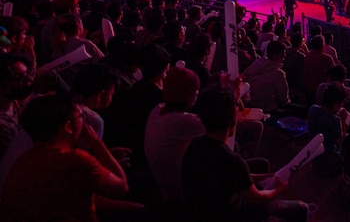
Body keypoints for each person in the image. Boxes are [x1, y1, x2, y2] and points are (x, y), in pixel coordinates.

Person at [182, 85, 307, 222]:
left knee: (261, 165)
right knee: (301, 208)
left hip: (202, 212)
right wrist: (278, 189)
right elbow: (256, 199)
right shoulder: (232, 161)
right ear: (232, 121)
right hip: (233, 215)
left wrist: (262, 177)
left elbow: (229, 178)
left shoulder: (194, 146)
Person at [0, 95, 130, 222]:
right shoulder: (75, 159)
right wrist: (96, 143)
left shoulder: (23, 162)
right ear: (68, 126)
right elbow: (122, 187)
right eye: (81, 117)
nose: (84, 123)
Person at [144, 67, 204, 203]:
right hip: (179, 193)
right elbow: (221, 127)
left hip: (161, 185)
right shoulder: (182, 122)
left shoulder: (157, 110)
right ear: (188, 93)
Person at [307, 83, 348, 176]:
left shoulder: (312, 109)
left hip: (314, 158)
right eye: (341, 103)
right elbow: (340, 143)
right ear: (336, 103)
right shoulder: (334, 120)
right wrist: (343, 121)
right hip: (330, 162)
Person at [242, 40, 290, 113]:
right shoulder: (278, 74)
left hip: (251, 105)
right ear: (275, 55)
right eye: (283, 53)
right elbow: (283, 98)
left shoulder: (256, 64)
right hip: (268, 108)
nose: (284, 56)